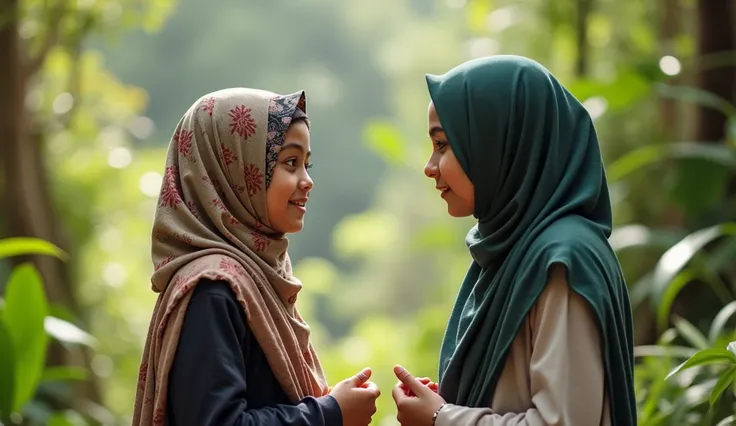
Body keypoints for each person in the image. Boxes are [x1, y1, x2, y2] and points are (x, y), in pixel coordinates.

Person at [391, 56, 636, 425]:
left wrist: (441, 418)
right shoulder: (509, 248)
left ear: (496, 141)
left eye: (443, 145)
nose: (430, 166)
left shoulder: (562, 259)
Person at [132, 88, 380, 426]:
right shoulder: (213, 289)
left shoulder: (255, 276)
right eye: (290, 162)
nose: (307, 181)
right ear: (232, 170)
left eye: (306, 164)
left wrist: (330, 403)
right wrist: (329, 414)